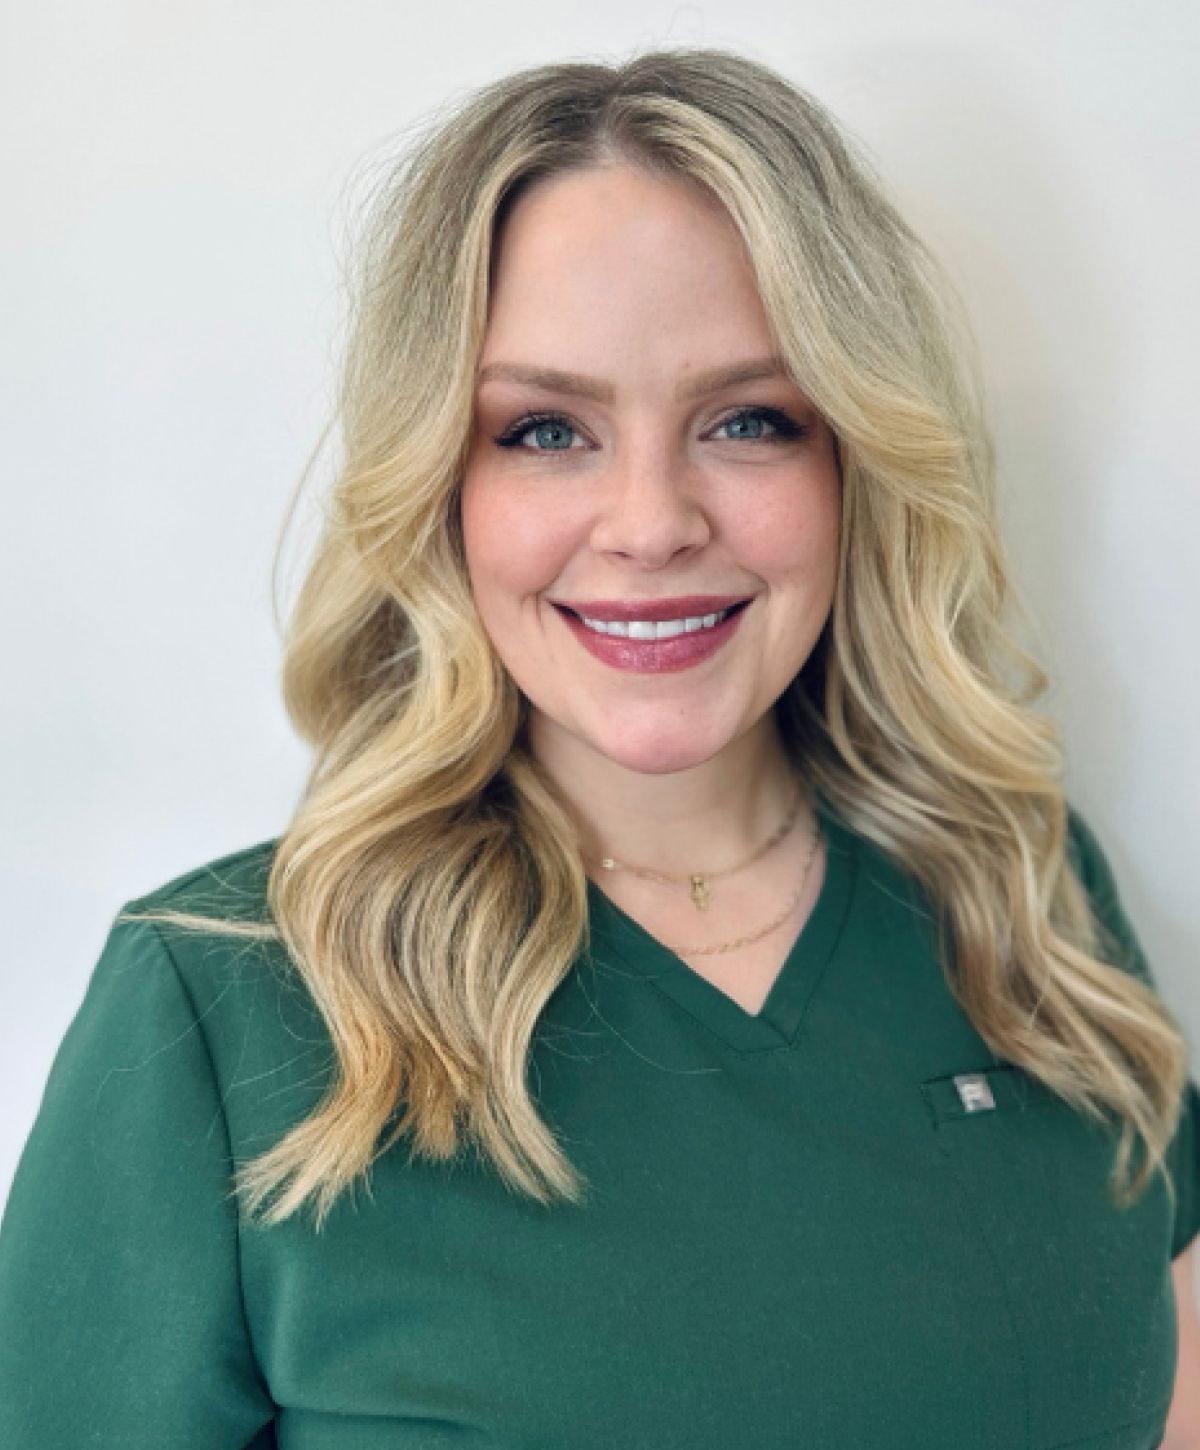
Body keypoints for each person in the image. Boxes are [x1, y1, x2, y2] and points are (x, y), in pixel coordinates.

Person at [1, 46, 1197, 1449]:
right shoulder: (219, 1005)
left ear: (854, 459)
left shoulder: (1017, 890)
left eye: (747, 419)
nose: (648, 520)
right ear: (441, 483)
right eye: (547, 429)